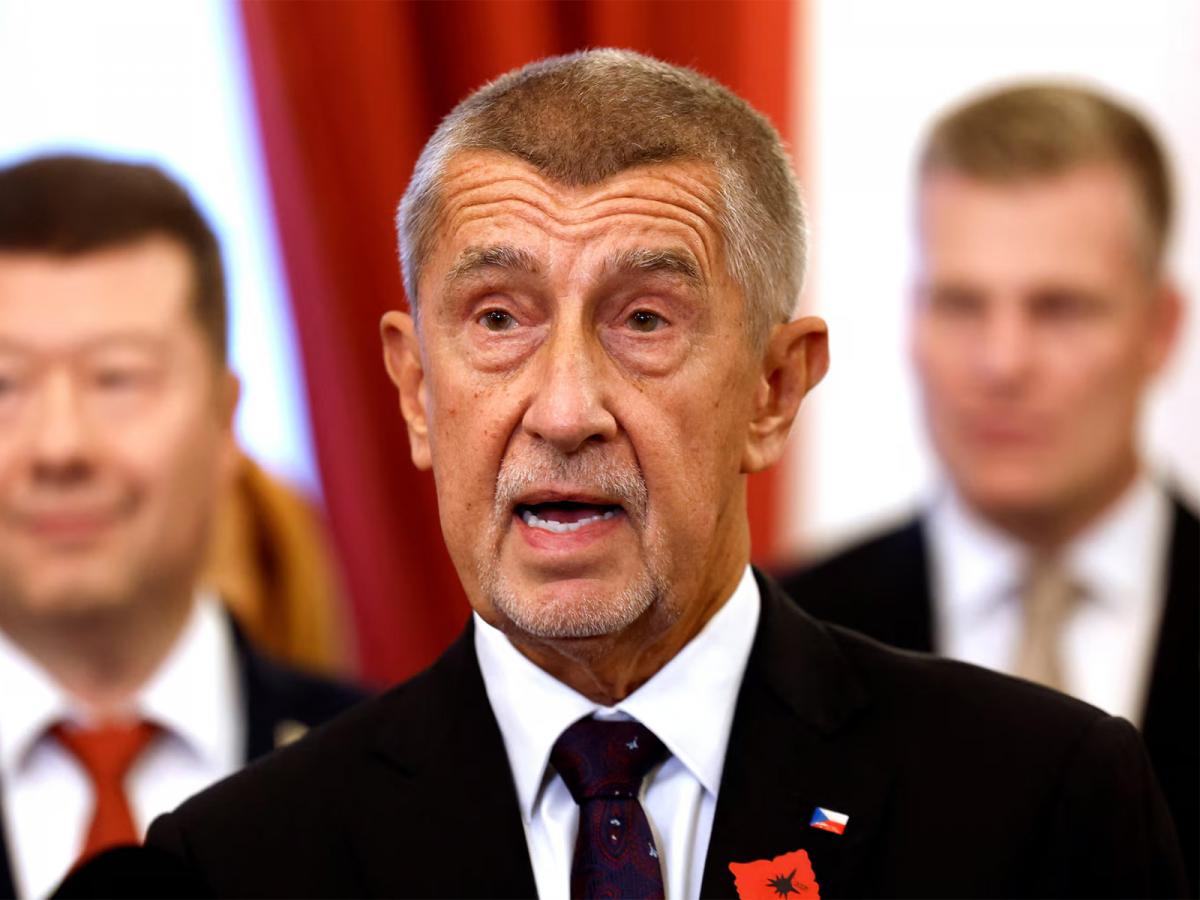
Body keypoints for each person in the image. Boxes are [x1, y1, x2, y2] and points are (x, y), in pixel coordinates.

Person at [64, 52, 1186, 899]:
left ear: (774, 389)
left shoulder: (1045, 799)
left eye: (645, 319)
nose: (563, 411)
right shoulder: (236, 867)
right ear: (414, 391)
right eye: (497, 319)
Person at [779, 82, 1197, 893]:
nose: (1002, 363)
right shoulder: (784, 639)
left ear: (1161, 328)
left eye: (1061, 308)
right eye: (961, 304)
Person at [0, 154, 367, 899]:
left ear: (225, 421)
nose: (59, 447)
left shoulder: (398, 781)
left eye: (116, 378)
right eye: (5, 384)